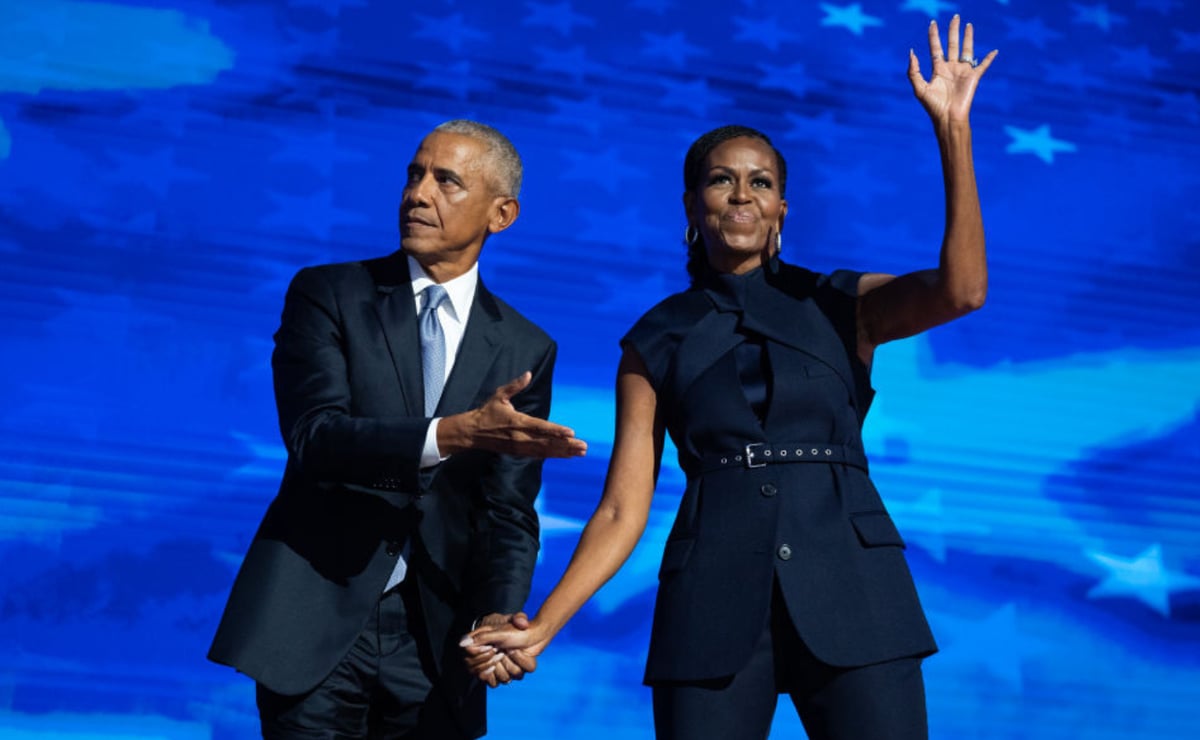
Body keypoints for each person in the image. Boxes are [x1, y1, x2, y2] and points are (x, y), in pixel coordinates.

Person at [463, 17, 995, 740]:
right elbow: (623, 509)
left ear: (782, 210)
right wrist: (544, 625)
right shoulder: (656, 338)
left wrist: (953, 130)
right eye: (721, 179)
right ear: (692, 206)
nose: (741, 194)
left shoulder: (841, 304)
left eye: (761, 182)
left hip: (857, 592)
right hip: (709, 607)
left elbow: (963, 291)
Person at [208, 119, 587, 739]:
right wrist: (454, 434)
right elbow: (316, 437)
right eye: (415, 175)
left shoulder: (525, 347)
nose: (418, 194)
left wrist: (497, 617)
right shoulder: (329, 293)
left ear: (502, 215)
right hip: (317, 622)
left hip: (438, 642)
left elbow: (509, 509)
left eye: (447, 181)